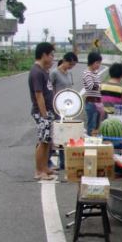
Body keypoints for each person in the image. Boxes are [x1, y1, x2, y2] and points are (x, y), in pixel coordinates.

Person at [29, 42, 57, 181]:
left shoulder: (43, 71)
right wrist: (44, 114)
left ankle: (45, 167)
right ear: (44, 55)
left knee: (48, 141)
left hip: (48, 111)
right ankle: (39, 171)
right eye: (51, 55)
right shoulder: (36, 72)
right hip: (42, 112)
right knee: (42, 141)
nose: (53, 58)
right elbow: (38, 95)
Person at [49, 52, 78, 170]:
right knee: (58, 134)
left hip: (68, 108)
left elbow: (70, 88)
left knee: (66, 135)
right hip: (57, 107)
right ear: (66, 61)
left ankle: (63, 162)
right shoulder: (55, 73)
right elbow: (50, 89)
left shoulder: (69, 73)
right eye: (71, 64)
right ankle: (50, 159)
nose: (71, 67)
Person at [82, 51, 103, 134]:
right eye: (97, 63)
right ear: (91, 62)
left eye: (99, 63)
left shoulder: (95, 73)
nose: (98, 65)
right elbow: (91, 86)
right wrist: (101, 87)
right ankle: (90, 142)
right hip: (91, 102)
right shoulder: (87, 73)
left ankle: (94, 141)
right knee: (91, 124)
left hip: (98, 102)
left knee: (97, 125)